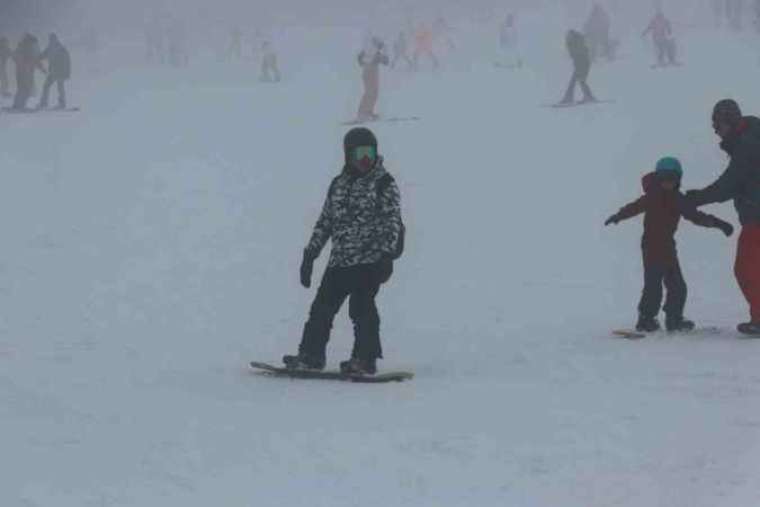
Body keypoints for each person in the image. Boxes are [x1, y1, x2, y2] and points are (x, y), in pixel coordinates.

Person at [284, 127, 404, 375]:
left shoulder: (383, 183)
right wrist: (310, 255)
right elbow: (325, 221)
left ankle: (365, 358)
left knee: (361, 309)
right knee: (321, 309)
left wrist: (386, 256)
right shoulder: (338, 184)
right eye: (359, 154)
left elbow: (391, 221)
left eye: (369, 153)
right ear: (348, 155)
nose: (365, 160)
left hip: (368, 262)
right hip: (339, 262)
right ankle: (310, 355)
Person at [605, 157, 734, 332]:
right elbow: (634, 207)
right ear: (658, 179)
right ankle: (646, 319)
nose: (668, 182)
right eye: (664, 178)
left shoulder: (678, 199)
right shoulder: (652, 197)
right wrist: (618, 216)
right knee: (653, 284)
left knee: (677, 285)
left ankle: (674, 318)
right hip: (651, 246)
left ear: (678, 180)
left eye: (672, 178)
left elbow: (696, 216)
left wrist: (719, 224)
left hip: (667, 247)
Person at [686, 99, 760, 335]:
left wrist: (698, 198)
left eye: (718, 125)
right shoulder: (750, 139)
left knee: (747, 269)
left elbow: (730, 184)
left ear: (730, 121)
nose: (716, 131)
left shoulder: (748, 145)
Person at [558, 30, 596, 105]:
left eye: (569, 36)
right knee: (579, 81)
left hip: (582, 64)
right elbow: (576, 55)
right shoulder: (574, 43)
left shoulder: (577, 43)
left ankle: (571, 97)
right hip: (581, 64)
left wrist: (578, 63)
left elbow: (580, 54)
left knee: (579, 81)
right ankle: (586, 96)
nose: (567, 38)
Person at [356, 37, 389, 121]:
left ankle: (368, 111)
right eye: (380, 45)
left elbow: (359, 59)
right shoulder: (373, 52)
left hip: (370, 72)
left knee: (373, 92)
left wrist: (363, 63)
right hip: (370, 73)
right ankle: (362, 113)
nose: (380, 47)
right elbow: (385, 61)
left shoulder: (370, 51)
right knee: (370, 92)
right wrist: (384, 54)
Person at [38, 33, 70, 110]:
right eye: (50, 39)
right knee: (47, 86)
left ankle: (61, 103)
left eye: (52, 39)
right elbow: (42, 55)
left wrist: (67, 72)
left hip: (60, 71)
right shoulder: (50, 48)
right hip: (53, 71)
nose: (51, 41)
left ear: (55, 39)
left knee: (59, 87)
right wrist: (37, 57)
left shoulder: (61, 48)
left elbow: (67, 61)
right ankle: (44, 102)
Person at [12, 34, 44, 110]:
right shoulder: (24, 48)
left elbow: (35, 59)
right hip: (23, 72)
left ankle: (18, 104)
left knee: (25, 88)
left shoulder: (26, 48)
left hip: (26, 71)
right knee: (24, 88)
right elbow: (17, 57)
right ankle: (19, 105)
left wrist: (42, 69)